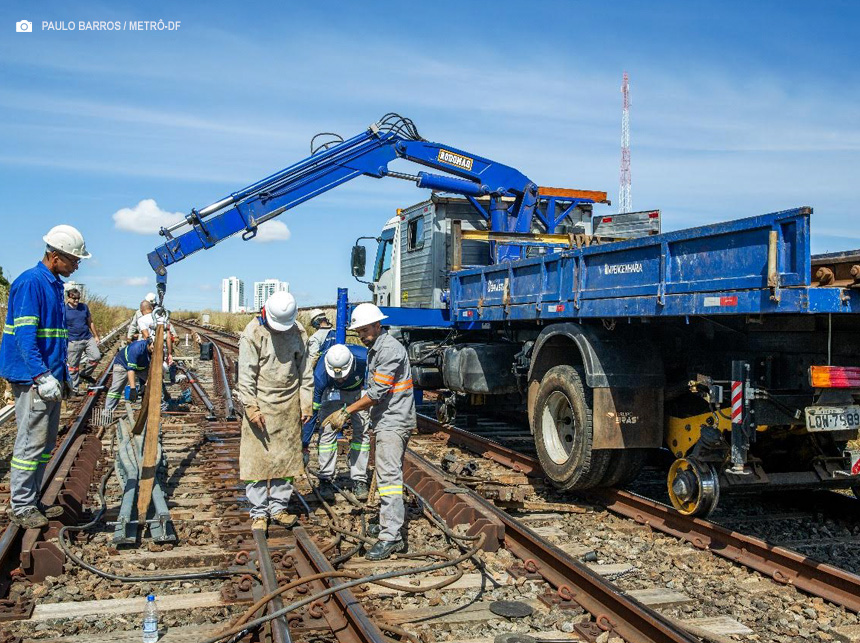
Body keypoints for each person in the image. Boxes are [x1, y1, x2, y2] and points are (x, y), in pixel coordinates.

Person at [0, 225, 91, 528]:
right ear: (54, 257)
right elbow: (26, 336)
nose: (76, 265)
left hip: (48, 377)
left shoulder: (53, 284)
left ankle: (33, 498)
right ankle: (22, 505)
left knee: (44, 442)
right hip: (32, 378)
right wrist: (41, 375)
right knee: (30, 443)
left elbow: (55, 337)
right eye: (73, 260)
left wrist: (61, 376)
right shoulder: (31, 283)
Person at [323, 303, 415, 560]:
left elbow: (376, 393)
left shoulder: (389, 351)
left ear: (378, 325)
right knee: (387, 477)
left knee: (389, 481)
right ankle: (388, 523)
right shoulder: (376, 349)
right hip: (386, 419)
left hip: (393, 421)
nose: (362, 336)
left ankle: (391, 537)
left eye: (366, 330)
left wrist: (346, 411)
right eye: (359, 332)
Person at [236, 291, 313, 532]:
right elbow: (246, 376)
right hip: (260, 403)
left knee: (286, 460)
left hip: (289, 405)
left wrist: (306, 402)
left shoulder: (299, 332)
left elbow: (305, 371)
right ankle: (259, 512)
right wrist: (251, 407)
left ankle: (279, 507)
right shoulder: (253, 333)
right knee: (257, 461)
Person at [313, 343, 370, 501]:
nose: (340, 379)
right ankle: (325, 478)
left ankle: (359, 479)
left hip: (359, 393)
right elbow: (313, 411)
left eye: (343, 375)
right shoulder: (321, 374)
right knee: (326, 432)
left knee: (362, 434)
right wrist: (304, 444)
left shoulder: (364, 358)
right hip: (332, 394)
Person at [301, 309, 337, 459]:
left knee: (312, 409)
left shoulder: (315, 338)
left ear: (315, 322)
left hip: (320, 376)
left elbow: (313, 358)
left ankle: (304, 443)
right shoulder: (337, 333)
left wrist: (306, 375)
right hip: (338, 375)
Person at [65, 288, 101, 394]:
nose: (76, 300)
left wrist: (96, 336)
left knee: (96, 357)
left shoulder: (84, 307)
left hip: (87, 338)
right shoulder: (63, 309)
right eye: (74, 298)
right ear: (68, 298)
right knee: (73, 367)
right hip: (72, 341)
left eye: (78, 298)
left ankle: (85, 374)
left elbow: (90, 322)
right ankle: (74, 389)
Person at [104, 338, 153, 414]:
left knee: (155, 383)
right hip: (122, 364)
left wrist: (146, 384)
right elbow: (131, 370)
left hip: (142, 367)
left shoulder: (159, 351)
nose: (155, 349)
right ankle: (107, 413)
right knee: (116, 389)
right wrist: (133, 389)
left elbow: (155, 371)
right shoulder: (137, 348)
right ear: (149, 344)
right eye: (153, 346)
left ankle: (150, 410)